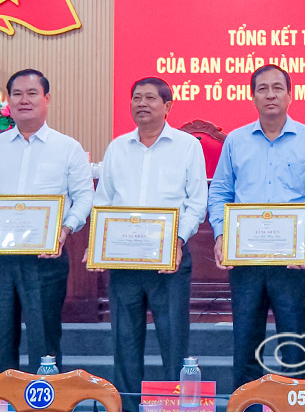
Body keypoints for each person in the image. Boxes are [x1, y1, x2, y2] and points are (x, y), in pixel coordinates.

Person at [209, 65, 305, 390]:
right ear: (252, 96)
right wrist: (222, 234)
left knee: (295, 347)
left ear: (290, 95)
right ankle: (248, 405)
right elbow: (220, 192)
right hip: (245, 260)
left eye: (277, 88)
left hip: (291, 261)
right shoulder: (236, 141)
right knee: (246, 345)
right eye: (262, 88)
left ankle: (296, 406)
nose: (270, 94)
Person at [0, 69, 93, 375]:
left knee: (44, 343)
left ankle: (45, 398)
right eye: (17, 94)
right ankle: (2, 398)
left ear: (47, 99)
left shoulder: (68, 147)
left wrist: (66, 229)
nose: (24, 100)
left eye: (32, 93)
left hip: (44, 258)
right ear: (8, 100)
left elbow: (84, 197)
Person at [93, 77, 208, 412]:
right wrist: (98, 242)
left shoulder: (187, 146)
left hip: (169, 261)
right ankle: (129, 407)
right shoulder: (117, 147)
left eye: (150, 98)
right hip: (123, 262)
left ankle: (176, 407)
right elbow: (104, 201)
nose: (141, 104)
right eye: (136, 98)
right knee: (125, 342)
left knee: (173, 342)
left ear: (167, 106)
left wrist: (177, 240)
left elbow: (196, 202)